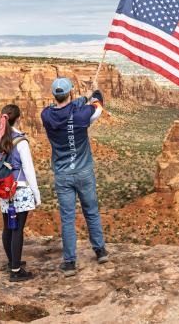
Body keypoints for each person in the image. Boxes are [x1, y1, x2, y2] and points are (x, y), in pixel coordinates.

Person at [41, 78, 108, 276]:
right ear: (71, 93)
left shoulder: (46, 115)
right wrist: (94, 93)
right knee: (91, 211)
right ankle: (100, 251)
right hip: (84, 172)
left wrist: (80, 99)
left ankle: (70, 263)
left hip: (63, 174)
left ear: (54, 95)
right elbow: (98, 106)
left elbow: (64, 109)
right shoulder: (82, 116)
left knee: (68, 218)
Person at [0, 104, 41, 282]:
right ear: (17, 118)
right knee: (18, 229)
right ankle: (15, 270)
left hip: (4, 189)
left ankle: (11, 261)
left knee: (8, 226)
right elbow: (28, 170)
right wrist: (36, 194)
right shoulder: (20, 141)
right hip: (19, 189)